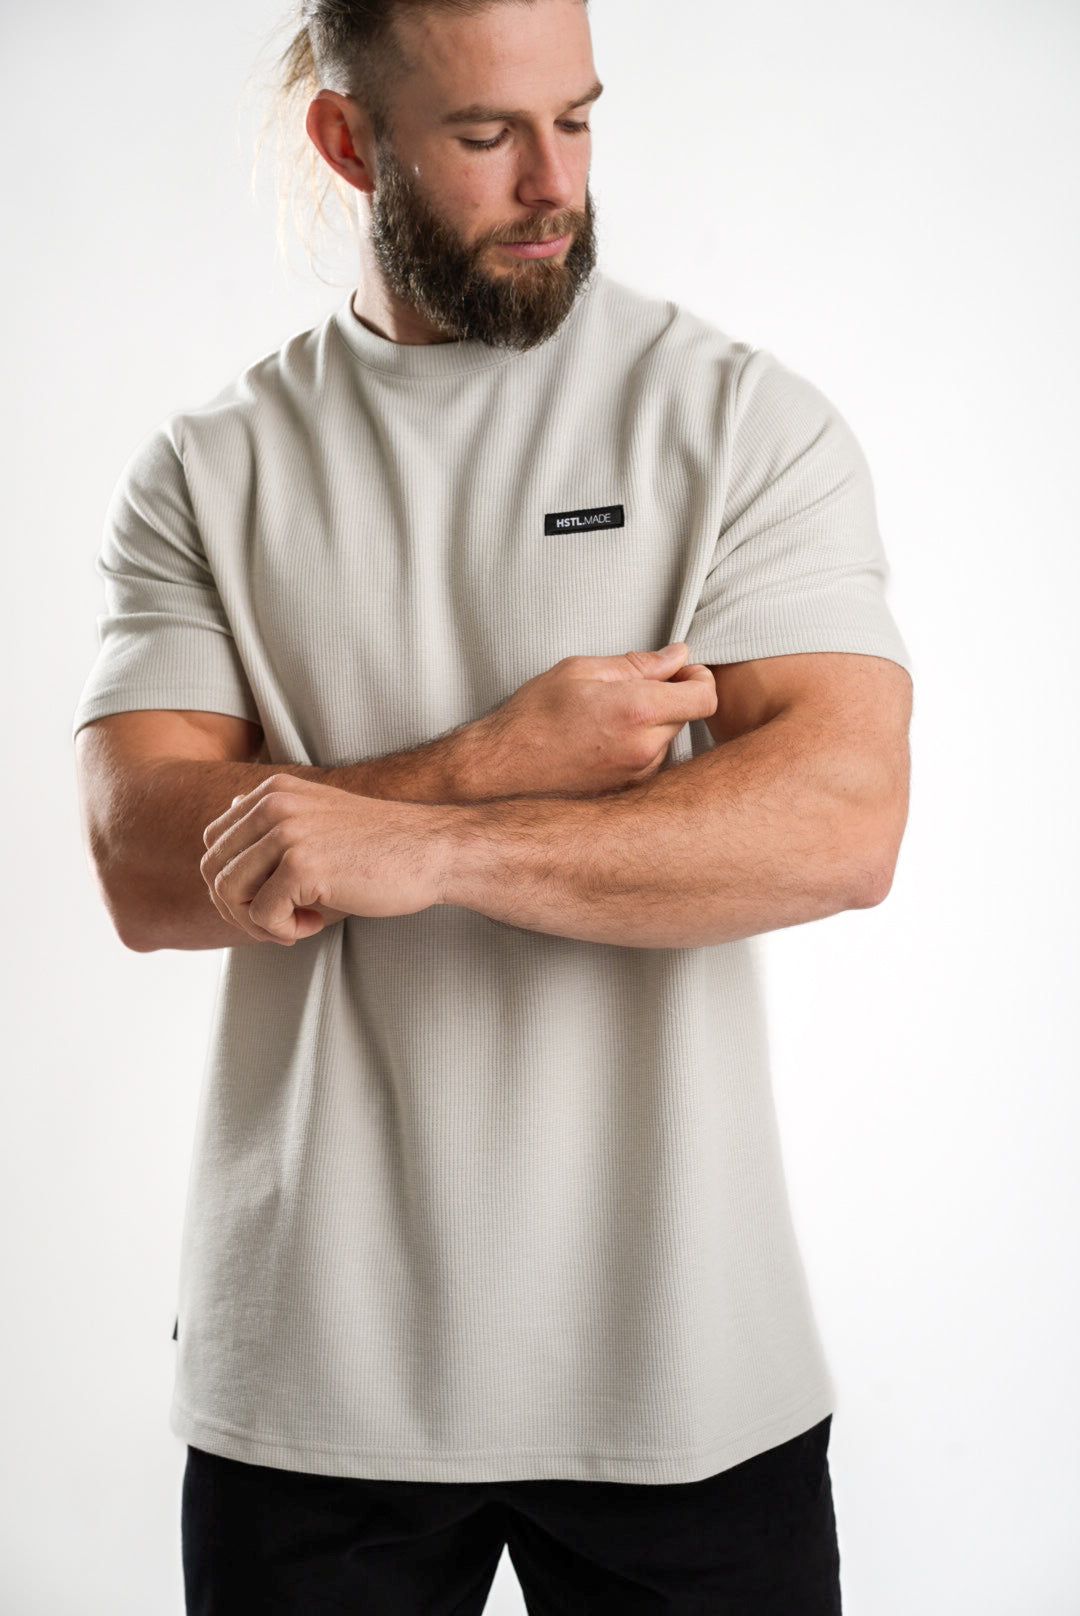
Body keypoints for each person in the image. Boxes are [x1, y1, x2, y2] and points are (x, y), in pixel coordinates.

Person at [71, 0, 914, 1610]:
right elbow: (140, 862)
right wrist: (476, 760)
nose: (555, 183)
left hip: (682, 1367)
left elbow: (841, 822)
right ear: (350, 142)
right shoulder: (209, 469)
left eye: (577, 119)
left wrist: (432, 845)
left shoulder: (737, 419)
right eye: (486, 135)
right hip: (311, 1382)